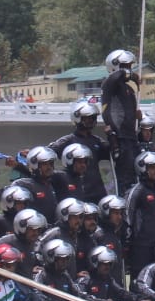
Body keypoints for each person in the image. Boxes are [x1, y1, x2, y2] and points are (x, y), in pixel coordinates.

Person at [46, 102, 110, 200]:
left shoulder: (97, 141)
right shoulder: (67, 140)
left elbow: (113, 154)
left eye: (92, 118)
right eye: (87, 118)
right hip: (76, 191)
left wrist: (112, 137)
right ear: (77, 118)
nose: (91, 121)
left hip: (97, 190)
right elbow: (47, 154)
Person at [101, 49, 141, 194]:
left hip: (131, 137)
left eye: (130, 66)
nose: (129, 69)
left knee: (136, 173)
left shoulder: (129, 89)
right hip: (120, 137)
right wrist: (131, 75)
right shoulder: (109, 84)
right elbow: (115, 76)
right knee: (124, 177)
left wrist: (139, 118)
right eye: (126, 66)